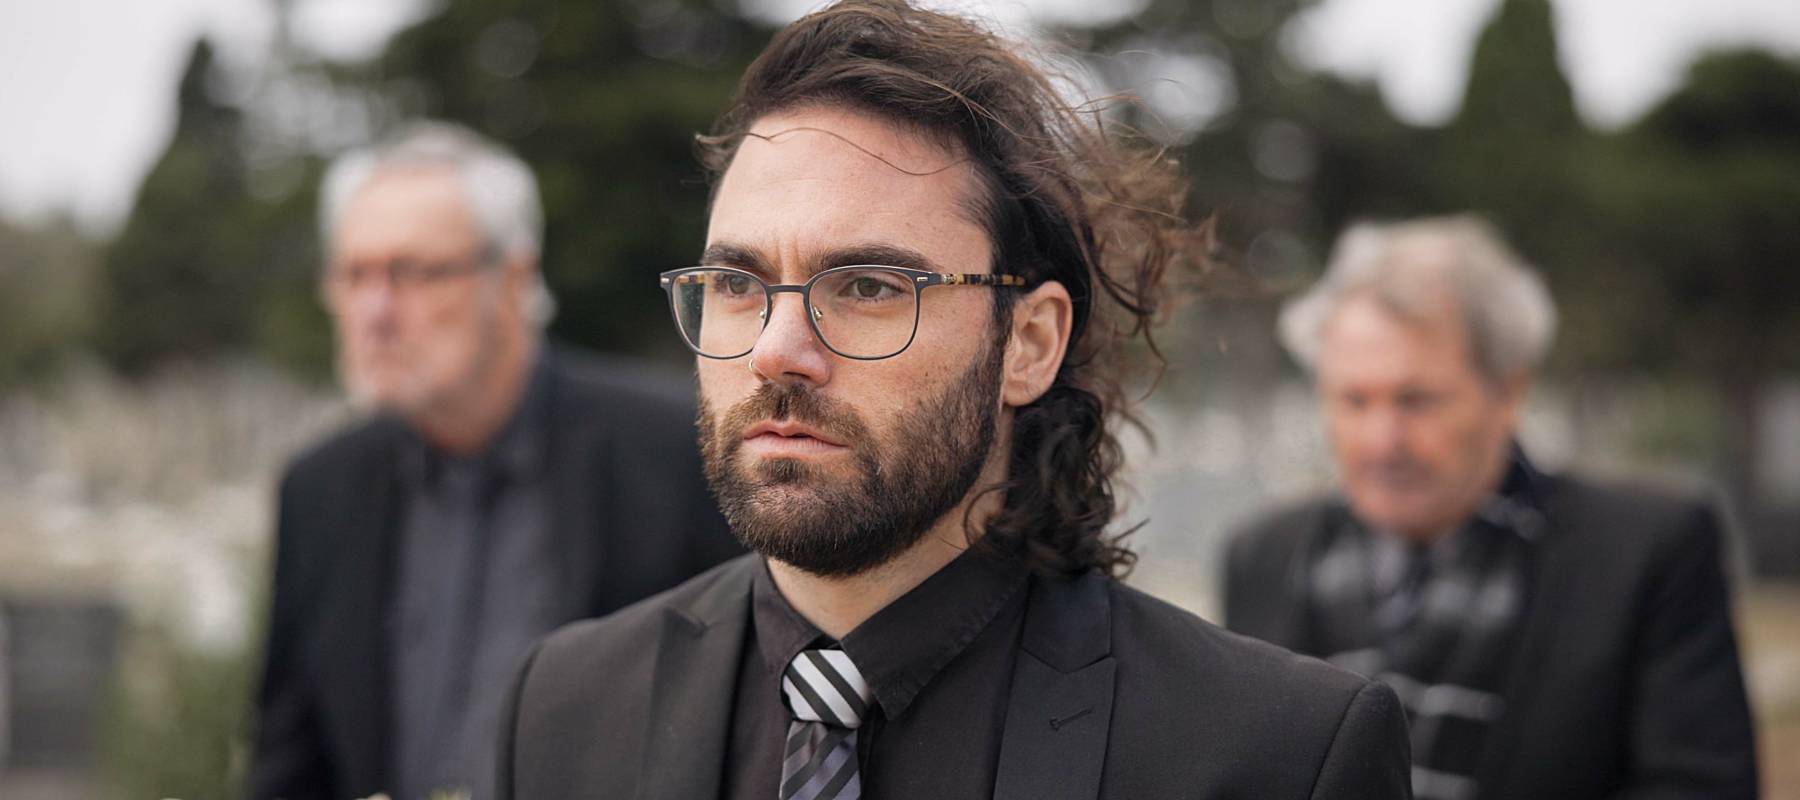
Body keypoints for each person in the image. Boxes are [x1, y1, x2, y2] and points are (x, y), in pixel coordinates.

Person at [495, 2, 1413, 798]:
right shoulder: (565, 707)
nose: (777, 351)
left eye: (866, 288)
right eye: (738, 284)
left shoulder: (1276, 755)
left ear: (1029, 344)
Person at [248, 122, 741, 800]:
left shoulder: (676, 450)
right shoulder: (320, 489)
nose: (375, 310)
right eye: (354, 274)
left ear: (513, 278)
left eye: (413, 273)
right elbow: (288, 762)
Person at [1224, 215, 1760, 800]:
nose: (1381, 440)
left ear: (1509, 393)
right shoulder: (1263, 556)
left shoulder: (1649, 552)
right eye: (1354, 400)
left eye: (1417, 400)